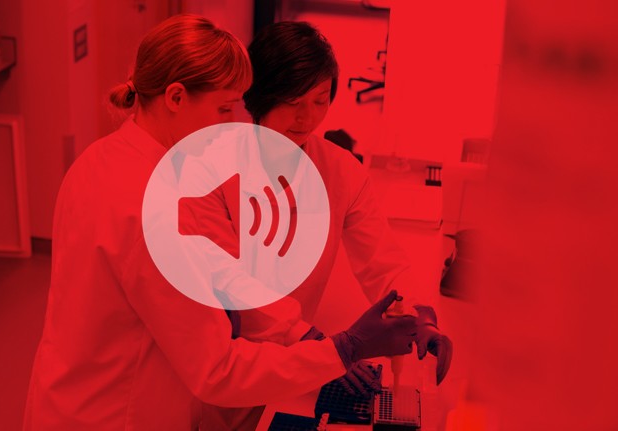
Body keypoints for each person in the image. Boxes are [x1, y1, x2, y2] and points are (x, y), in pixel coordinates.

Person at [23, 15, 417, 431]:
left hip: (67, 401)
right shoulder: (161, 209)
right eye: (224, 108)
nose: (233, 124)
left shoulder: (98, 159)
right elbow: (216, 369)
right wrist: (341, 350)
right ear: (176, 97)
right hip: (119, 414)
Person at [189, 21, 454, 430]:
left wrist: (420, 315)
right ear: (258, 97)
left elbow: (382, 261)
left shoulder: (339, 171)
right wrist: (326, 347)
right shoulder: (214, 173)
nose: (306, 117)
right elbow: (236, 293)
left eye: (319, 100)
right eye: (293, 101)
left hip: (295, 365)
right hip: (225, 363)